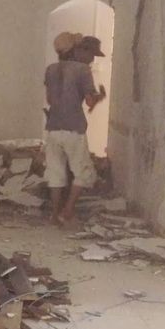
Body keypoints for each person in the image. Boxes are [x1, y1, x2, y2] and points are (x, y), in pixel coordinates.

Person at [44, 32, 107, 225]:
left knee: (55, 174)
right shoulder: (82, 70)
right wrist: (99, 97)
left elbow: (49, 99)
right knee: (84, 173)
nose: (92, 59)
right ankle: (67, 211)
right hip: (73, 128)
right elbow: (89, 101)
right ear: (75, 49)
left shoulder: (50, 69)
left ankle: (54, 215)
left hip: (53, 127)